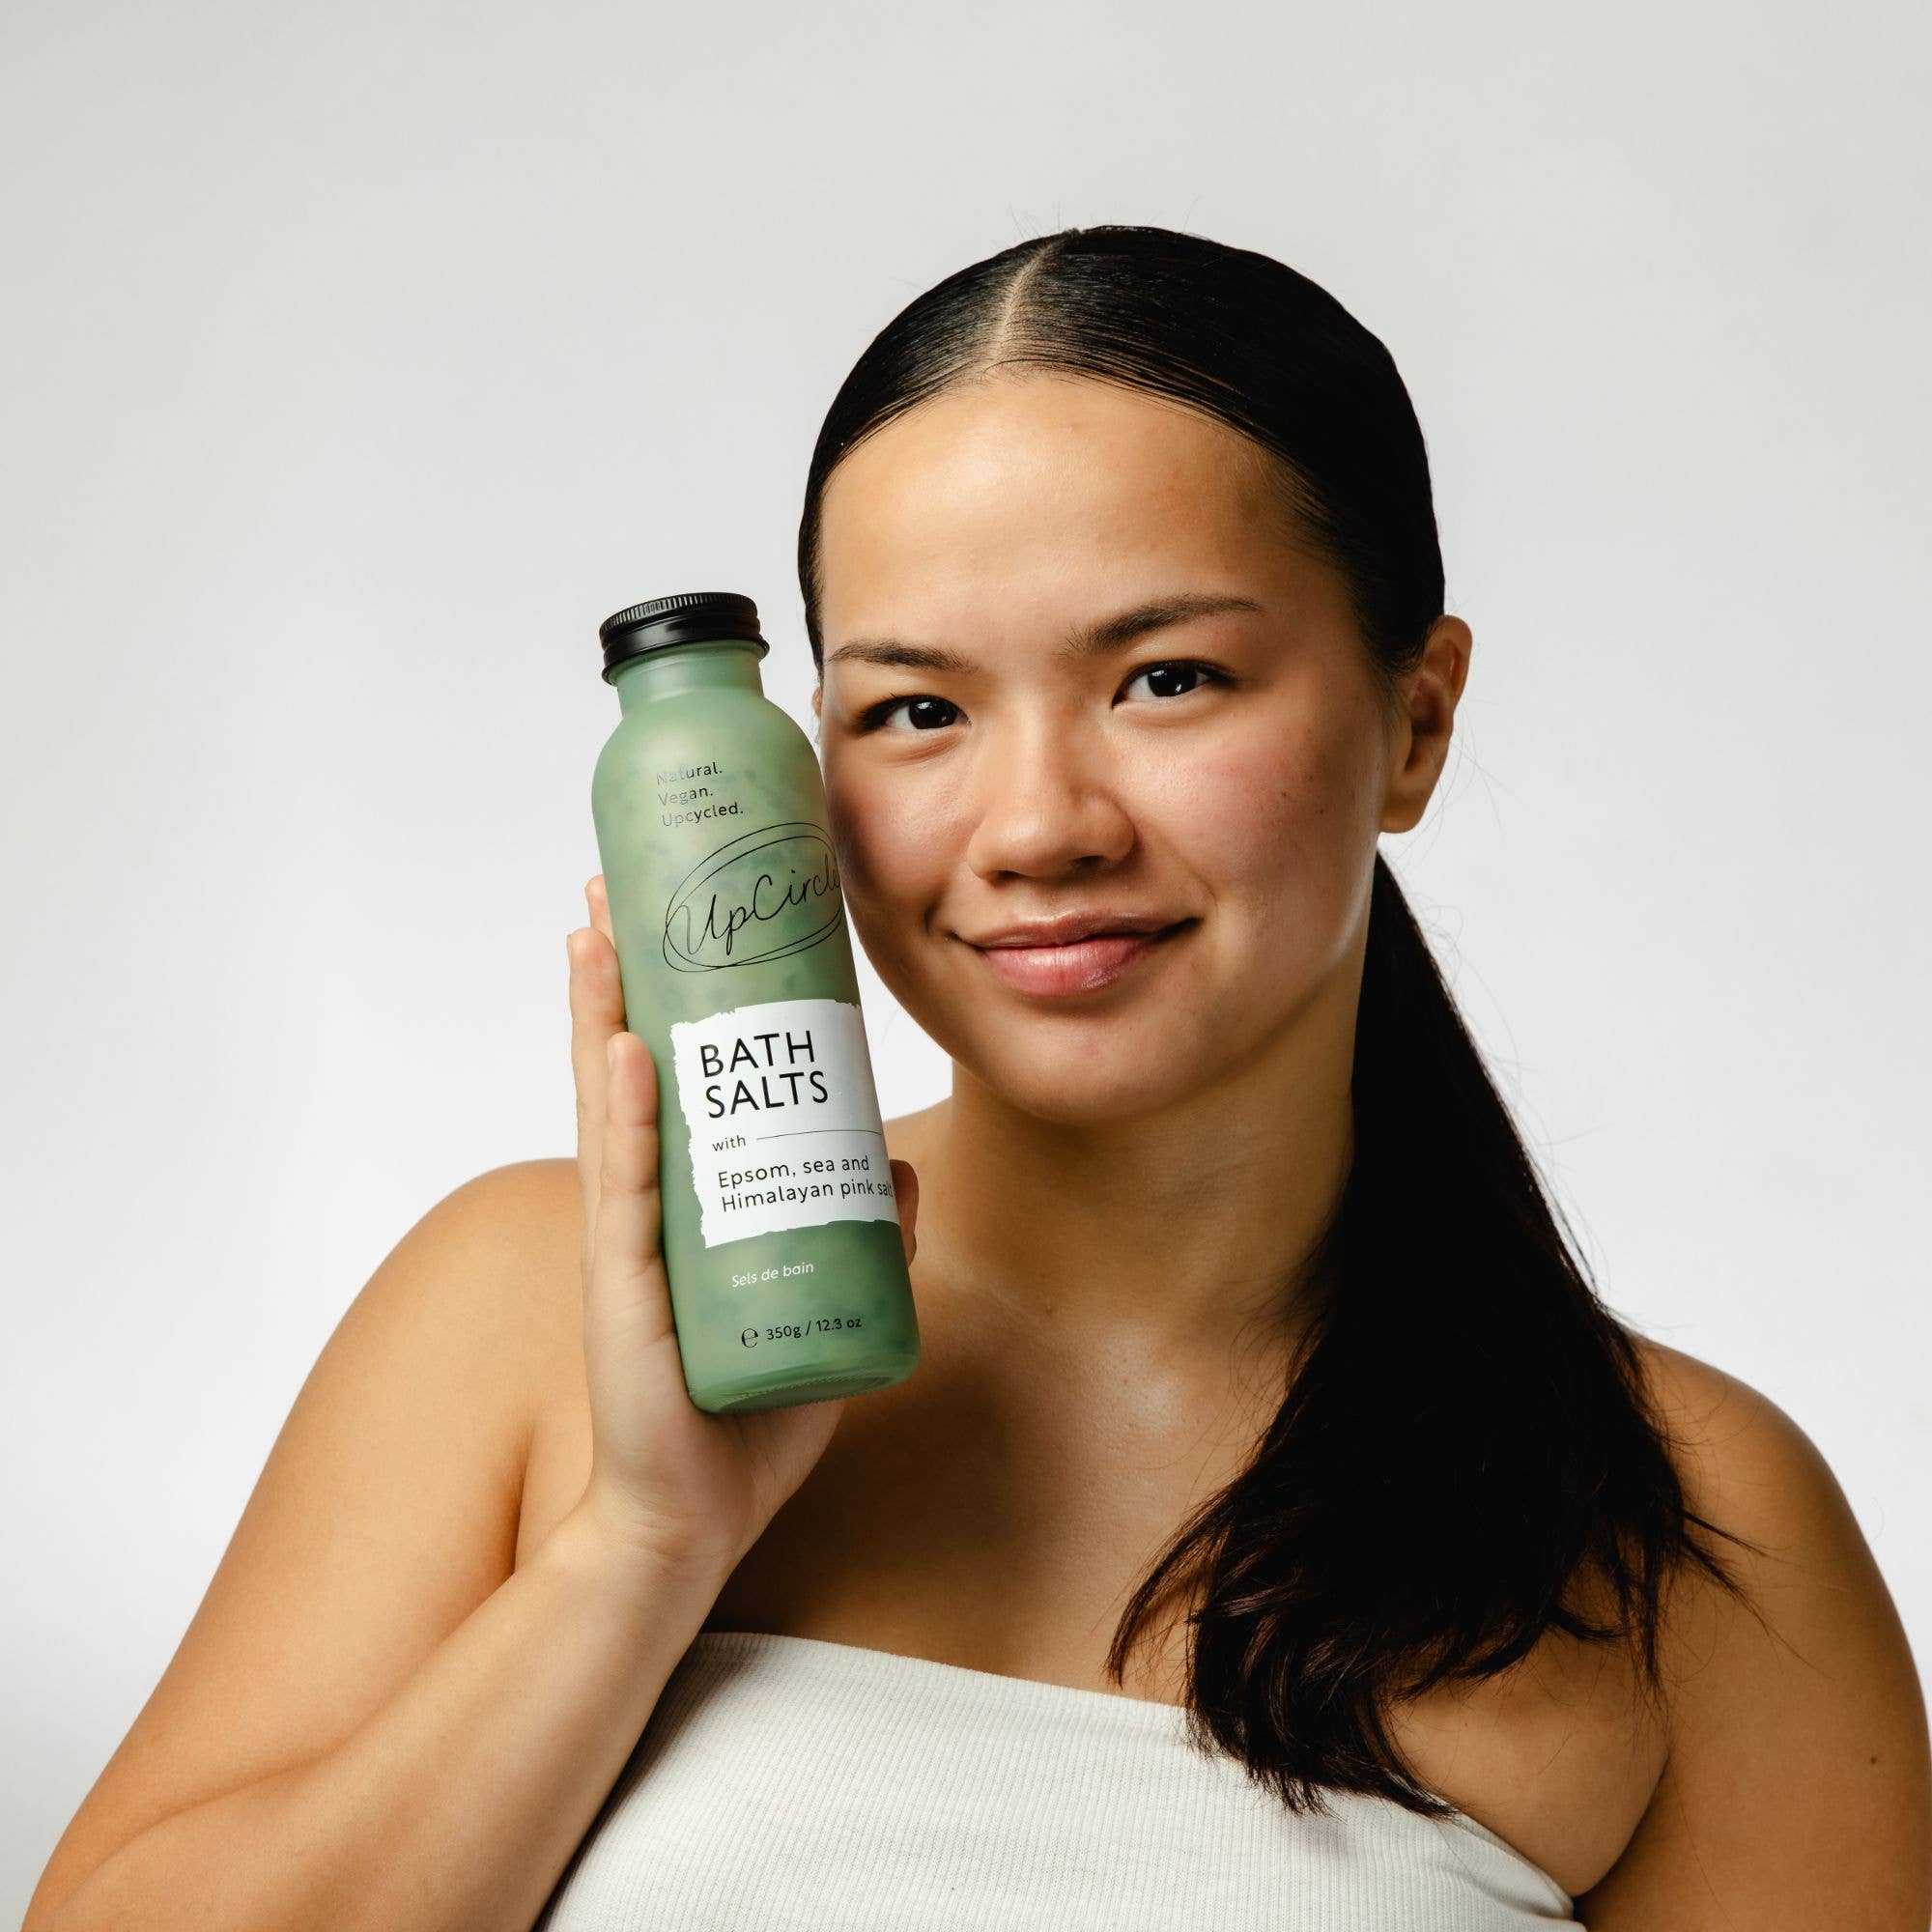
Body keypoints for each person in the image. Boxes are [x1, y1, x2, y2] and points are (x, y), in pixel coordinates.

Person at [25, 224, 1930, 1932]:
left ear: (1413, 720)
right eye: (916, 710)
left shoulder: (1689, 1526)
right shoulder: (526, 1320)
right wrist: (639, 1549)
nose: (1034, 826)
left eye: (1165, 678)